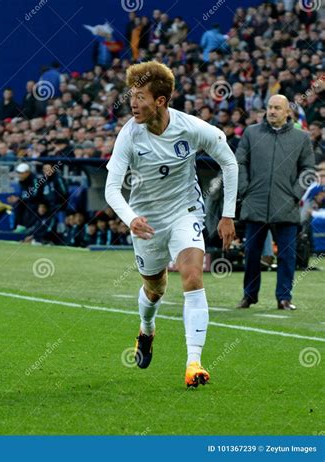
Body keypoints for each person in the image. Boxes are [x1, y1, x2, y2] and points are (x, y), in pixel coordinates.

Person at [104, 61, 238, 387]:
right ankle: (146, 329)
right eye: (131, 96)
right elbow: (111, 188)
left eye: (140, 97)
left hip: (185, 212)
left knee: (192, 277)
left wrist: (227, 214)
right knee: (155, 288)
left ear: (161, 101)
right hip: (147, 221)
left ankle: (194, 362)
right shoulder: (129, 135)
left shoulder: (190, 127)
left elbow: (229, 161)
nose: (133, 103)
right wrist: (131, 218)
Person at [236, 95, 315, 310]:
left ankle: (284, 298)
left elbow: (308, 170)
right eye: (269, 107)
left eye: (277, 108)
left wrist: (295, 194)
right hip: (255, 203)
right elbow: (239, 163)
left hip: (286, 204)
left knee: (287, 255)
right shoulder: (251, 133)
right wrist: (245, 189)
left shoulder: (301, 138)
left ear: (287, 112)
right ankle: (249, 296)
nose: (271, 111)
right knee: (252, 252)